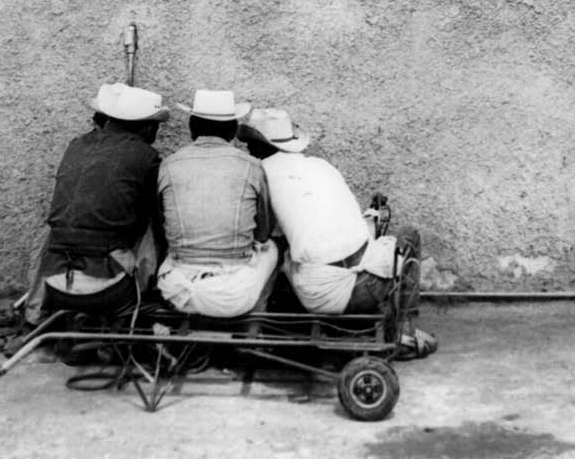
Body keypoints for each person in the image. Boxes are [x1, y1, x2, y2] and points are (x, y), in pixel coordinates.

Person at [238, 107, 436, 358]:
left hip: (319, 295)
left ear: (259, 146)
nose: (247, 150)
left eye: (249, 144)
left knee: (273, 248)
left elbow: (262, 233)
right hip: (368, 285)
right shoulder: (321, 166)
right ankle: (404, 330)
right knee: (409, 235)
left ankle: (258, 328)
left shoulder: (260, 173)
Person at [25, 81, 170, 324]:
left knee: (59, 224)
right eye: (156, 126)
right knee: (154, 221)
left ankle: (40, 309)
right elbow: (155, 222)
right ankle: (146, 296)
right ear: (146, 127)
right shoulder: (146, 156)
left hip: (52, 285)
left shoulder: (76, 145)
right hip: (109, 289)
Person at [156, 90, 279, 317]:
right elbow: (263, 232)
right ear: (233, 131)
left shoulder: (169, 165)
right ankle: (255, 322)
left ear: (192, 128)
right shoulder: (251, 165)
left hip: (176, 291)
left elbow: (162, 222)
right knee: (271, 249)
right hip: (234, 295)